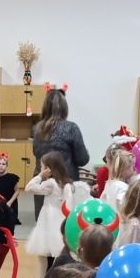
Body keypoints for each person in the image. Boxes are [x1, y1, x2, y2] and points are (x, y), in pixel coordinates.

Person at [22, 153, 90, 278]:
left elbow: (29, 188)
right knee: (58, 251)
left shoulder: (50, 183)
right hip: (61, 218)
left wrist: (40, 176)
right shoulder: (67, 184)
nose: (41, 169)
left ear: (49, 169)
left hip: (48, 220)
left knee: (43, 253)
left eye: (42, 167)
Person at [31, 87, 90, 223]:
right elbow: (82, 159)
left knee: (43, 221)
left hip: (43, 180)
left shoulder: (37, 128)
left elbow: (35, 152)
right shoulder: (71, 128)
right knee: (66, 223)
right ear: (64, 108)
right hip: (65, 183)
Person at [98, 148, 134, 215]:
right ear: (125, 169)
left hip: (108, 217)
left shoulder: (109, 183)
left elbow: (102, 200)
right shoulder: (124, 188)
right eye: (133, 167)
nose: (134, 170)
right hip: (119, 219)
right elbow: (126, 211)